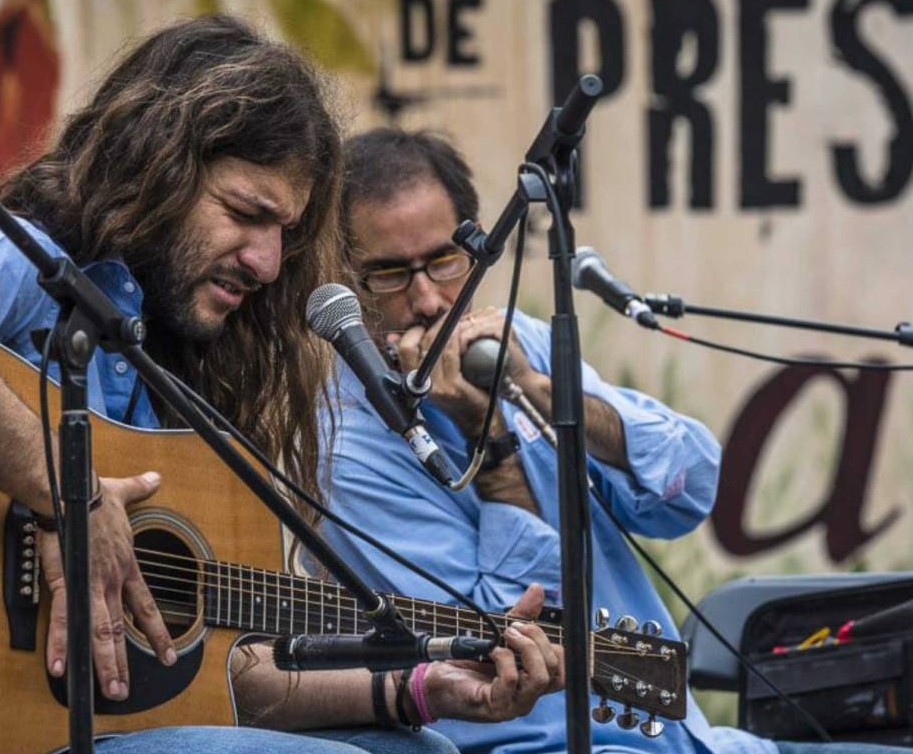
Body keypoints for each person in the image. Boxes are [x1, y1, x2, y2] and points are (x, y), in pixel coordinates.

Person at [0, 18, 563, 753]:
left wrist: (421, 687)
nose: (264, 262)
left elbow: (226, 679)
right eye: (244, 212)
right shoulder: (43, 252)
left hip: (95, 725)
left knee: (415, 744)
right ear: (157, 164)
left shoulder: (202, 356)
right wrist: (65, 488)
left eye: (284, 234)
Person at [319, 127, 904, 754]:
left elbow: (689, 488)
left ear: (477, 248)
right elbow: (510, 638)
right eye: (388, 275)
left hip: (691, 741)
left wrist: (538, 389)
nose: (429, 299)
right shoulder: (344, 449)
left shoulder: (524, 348)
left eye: (443, 261)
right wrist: (488, 440)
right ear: (342, 278)